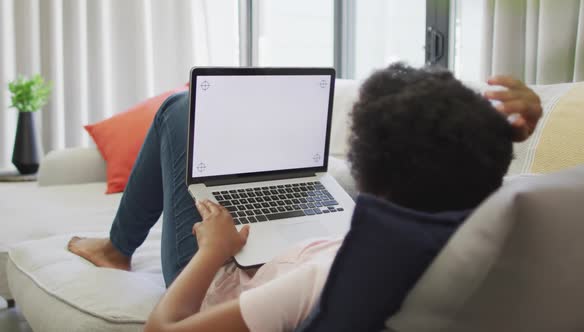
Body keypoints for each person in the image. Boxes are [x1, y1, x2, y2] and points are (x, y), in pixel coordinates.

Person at [68, 64, 542, 331]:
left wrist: (213, 251)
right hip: (301, 244)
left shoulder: (326, 281)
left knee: (179, 109)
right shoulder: (487, 239)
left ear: (366, 175)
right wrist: (507, 132)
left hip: (218, 267)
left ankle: (115, 250)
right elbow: (524, 194)